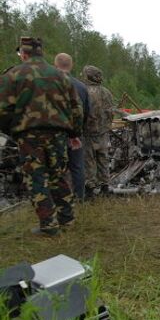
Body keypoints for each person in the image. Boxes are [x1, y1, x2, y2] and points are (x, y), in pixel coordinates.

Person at [0, 37, 83, 236]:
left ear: (24, 53)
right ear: (41, 53)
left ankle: (49, 225)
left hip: (29, 136)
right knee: (58, 175)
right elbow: (76, 109)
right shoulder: (62, 76)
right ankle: (67, 218)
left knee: (37, 179)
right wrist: (74, 133)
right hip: (58, 135)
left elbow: (2, 110)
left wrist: (12, 131)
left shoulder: (13, 75)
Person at [54, 53, 91, 201]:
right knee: (77, 167)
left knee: (56, 167)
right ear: (71, 65)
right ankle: (79, 198)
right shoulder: (81, 87)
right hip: (76, 134)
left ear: (55, 65)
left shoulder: (50, 84)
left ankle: (60, 199)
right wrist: (78, 130)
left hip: (56, 134)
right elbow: (87, 112)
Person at [82, 65, 114, 196]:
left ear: (87, 76)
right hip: (103, 132)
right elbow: (111, 113)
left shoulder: (83, 91)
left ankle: (90, 190)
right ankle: (105, 187)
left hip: (87, 133)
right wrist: (106, 127)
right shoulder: (106, 92)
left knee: (88, 160)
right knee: (103, 159)